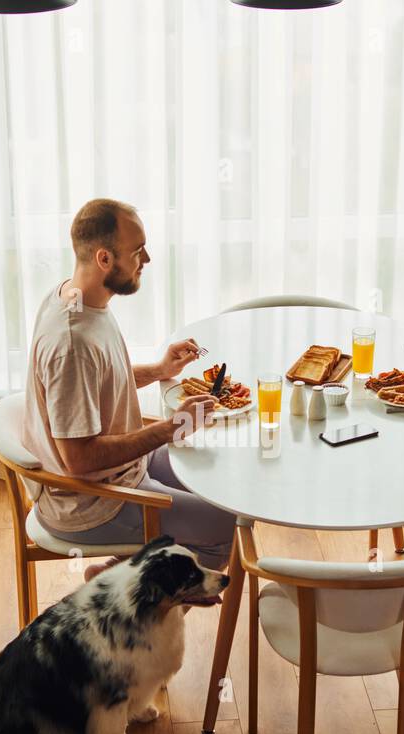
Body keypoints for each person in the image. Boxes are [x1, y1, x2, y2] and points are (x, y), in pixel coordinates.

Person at [21, 198, 237, 576]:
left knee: (221, 474)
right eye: (137, 251)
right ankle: (133, 609)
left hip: (122, 468)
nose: (148, 259)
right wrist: (172, 427)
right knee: (224, 525)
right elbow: (79, 459)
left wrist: (158, 370)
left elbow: (97, 385)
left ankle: (115, 576)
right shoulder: (73, 343)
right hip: (91, 502)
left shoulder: (75, 298)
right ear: (105, 259)